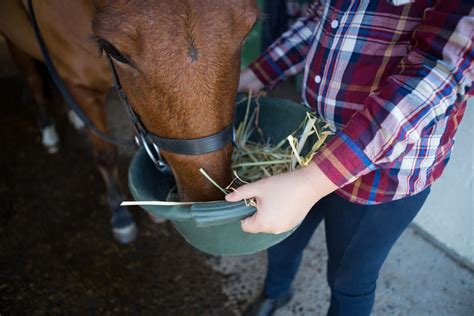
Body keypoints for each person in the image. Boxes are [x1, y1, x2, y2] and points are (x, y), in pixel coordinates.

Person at [226, 0, 473, 315]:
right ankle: (275, 293)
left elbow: (439, 74)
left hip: (386, 173)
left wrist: (308, 184)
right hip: (308, 140)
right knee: (282, 239)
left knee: (350, 279)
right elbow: (320, 20)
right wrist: (257, 75)